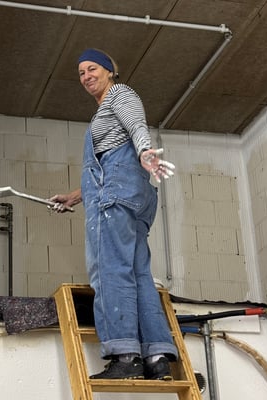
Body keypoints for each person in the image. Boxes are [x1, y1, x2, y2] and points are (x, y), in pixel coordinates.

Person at [50, 48, 178, 380]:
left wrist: (146, 152)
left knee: (110, 271)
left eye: (92, 68)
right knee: (137, 274)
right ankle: (157, 358)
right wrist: (75, 197)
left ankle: (125, 356)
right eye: (81, 72)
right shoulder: (105, 109)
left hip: (116, 200)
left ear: (110, 70)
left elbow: (136, 126)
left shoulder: (120, 94)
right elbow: (108, 165)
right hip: (130, 198)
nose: (86, 76)